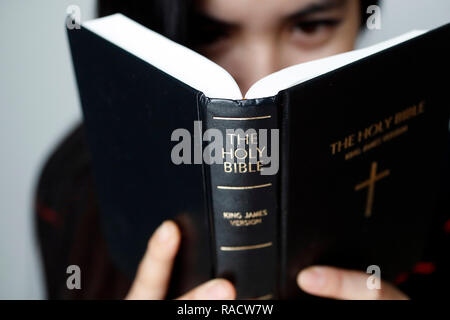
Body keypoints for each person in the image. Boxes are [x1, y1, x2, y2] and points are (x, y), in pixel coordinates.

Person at [36, 0, 449, 300]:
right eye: (209, 35)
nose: (259, 84)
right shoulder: (72, 190)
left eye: (312, 26)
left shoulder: (432, 187)